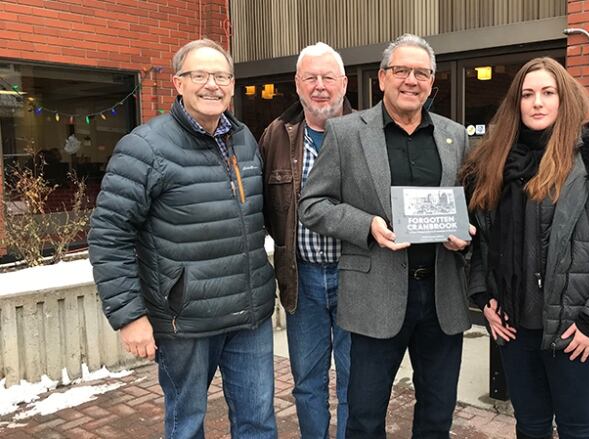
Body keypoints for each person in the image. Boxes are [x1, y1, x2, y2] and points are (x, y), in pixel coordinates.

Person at [88, 39, 278, 439]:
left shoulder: (243, 139)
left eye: (222, 76)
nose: (212, 85)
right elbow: (109, 235)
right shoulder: (144, 147)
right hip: (185, 319)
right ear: (178, 83)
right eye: (200, 75)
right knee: (187, 424)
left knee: (258, 422)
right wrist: (129, 316)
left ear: (232, 84)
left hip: (249, 313)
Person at [459, 57, 589, 439]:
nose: (537, 102)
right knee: (530, 426)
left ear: (565, 99)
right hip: (516, 328)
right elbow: (480, 241)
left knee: (578, 429)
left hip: (576, 330)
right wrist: (484, 297)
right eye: (527, 94)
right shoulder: (492, 163)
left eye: (548, 92)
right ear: (516, 104)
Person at [299, 34, 473, 439]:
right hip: (375, 298)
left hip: (441, 298)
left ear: (432, 81)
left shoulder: (455, 136)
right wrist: (367, 226)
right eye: (401, 70)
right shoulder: (345, 133)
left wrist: (467, 233)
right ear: (381, 78)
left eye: (422, 72)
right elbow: (312, 204)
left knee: (436, 415)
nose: (411, 80)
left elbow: (472, 204)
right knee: (364, 417)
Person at [259, 41, 352, 439]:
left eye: (327, 77)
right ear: (297, 85)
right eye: (310, 78)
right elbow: (262, 207)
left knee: (355, 380)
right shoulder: (275, 136)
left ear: (343, 84)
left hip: (356, 278)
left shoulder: (366, 132)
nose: (319, 86)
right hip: (302, 281)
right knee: (308, 381)